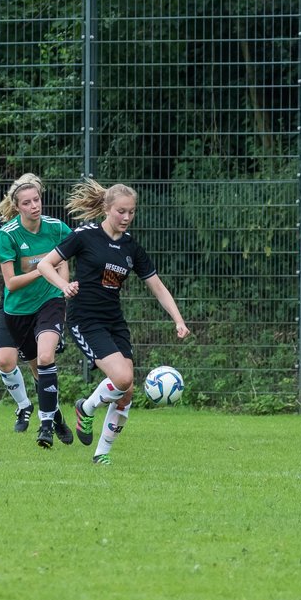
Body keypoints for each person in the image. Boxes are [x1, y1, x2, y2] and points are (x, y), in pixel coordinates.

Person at [37, 179, 190, 464]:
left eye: (131, 212)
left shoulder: (132, 248)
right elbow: (46, 264)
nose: (127, 218)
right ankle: (87, 407)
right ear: (107, 209)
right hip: (85, 319)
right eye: (121, 211)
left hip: (114, 321)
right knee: (122, 378)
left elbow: (157, 286)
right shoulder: (85, 236)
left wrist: (178, 319)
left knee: (126, 392)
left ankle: (101, 455)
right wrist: (63, 284)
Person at [0, 174, 74, 448]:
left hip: (50, 302)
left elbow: (69, 256)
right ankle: (56, 414)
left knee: (47, 356)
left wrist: (62, 285)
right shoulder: (8, 235)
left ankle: (45, 426)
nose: (34, 206)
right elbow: (11, 283)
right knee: (35, 369)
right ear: (17, 207)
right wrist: (44, 269)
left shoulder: (57, 228)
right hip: (18, 311)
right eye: (27, 203)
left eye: (36, 200)